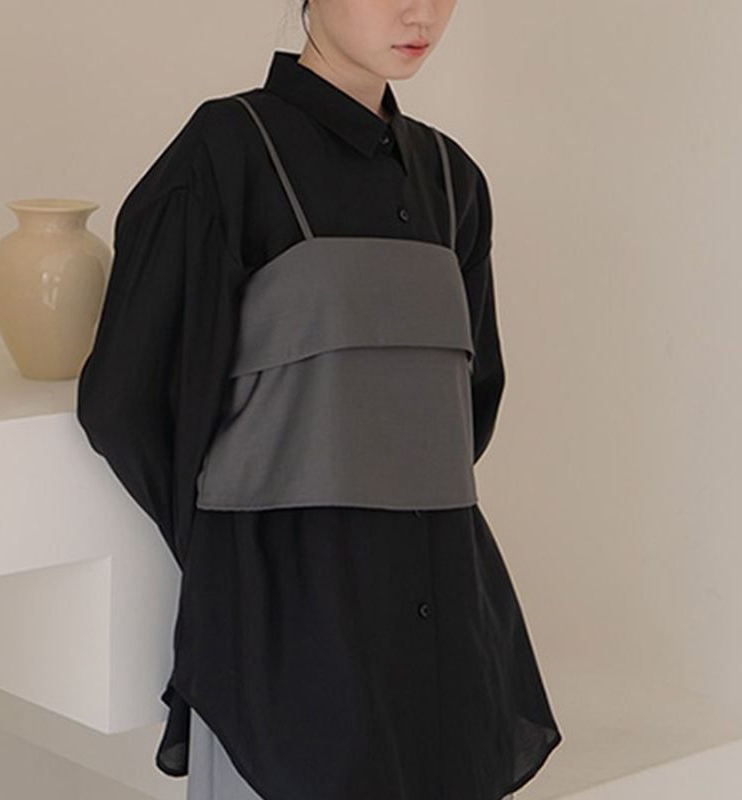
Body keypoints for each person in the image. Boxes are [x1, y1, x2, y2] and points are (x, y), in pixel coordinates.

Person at [75, 1, 564, 798]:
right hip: (291, 629)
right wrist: (235, 543)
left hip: (443, 617)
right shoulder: (229, 150)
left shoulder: (453, 181)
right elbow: (125, 399)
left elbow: (468, 402)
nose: (420, 12)